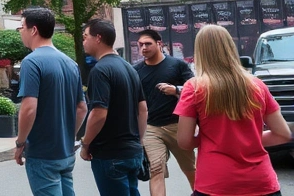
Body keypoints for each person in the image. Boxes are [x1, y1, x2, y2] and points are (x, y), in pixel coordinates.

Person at [175, 25, 291, 196]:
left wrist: (208, 139)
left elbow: (184, 141)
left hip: (215, 183)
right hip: (260, 183)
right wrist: (247, 140)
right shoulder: (257, 85)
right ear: (230, 48)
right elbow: (283, 134)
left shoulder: (194, 88)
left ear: (200, 51)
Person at [13, 8, 87, 196]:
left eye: (21, 27)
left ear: (34, 30)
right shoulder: (70, 63)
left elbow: (29, 108)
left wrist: (20, 142)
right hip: (66, 151)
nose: (20, 32)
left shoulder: (32, 62)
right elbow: (81, 108)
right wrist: (69, 135)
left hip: (42, 152)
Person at [78, 20, 147, 196]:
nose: (83, 41)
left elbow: (99, 113)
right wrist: (138, 141)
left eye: (85, 37)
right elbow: (143, 109)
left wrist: (85, 144)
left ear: (98, 38)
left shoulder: (100, 71)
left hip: (110, 153)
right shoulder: (129, 68)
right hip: (132, 151)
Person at [132, 29, 195, 196]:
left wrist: (175, 89)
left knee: (190, 169)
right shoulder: (136, 70)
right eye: (140, 45)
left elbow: (194, 89)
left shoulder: (177, 65)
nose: (144, 48)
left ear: (159, 44)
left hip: (178, 126)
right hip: (151, 128)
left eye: (148, 44)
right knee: (156, 170)